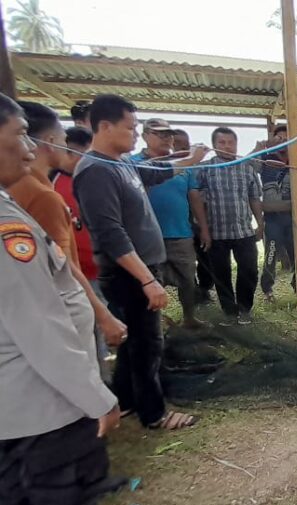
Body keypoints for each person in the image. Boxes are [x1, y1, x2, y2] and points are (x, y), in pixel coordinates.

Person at [0, 93, 120, 505]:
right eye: (20, 135)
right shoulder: (7, 225)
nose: (31, 148)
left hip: (16, 410)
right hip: (44, 409)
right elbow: (40, 328)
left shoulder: (11, 203)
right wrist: (96, 397)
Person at [74, 94, 208, 430]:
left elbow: (157, 173)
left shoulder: (123, 163)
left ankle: (127, 401)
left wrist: (191, 159)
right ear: (104, 126)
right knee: (149, 344)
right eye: (131, 128)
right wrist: (147, 280)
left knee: (135, 341)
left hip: (142, 268)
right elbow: (110, 233)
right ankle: (155, 413)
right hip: (128, 274)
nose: (136, 135)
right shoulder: (95, 171)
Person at [6, 102, 127, 353]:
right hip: (61, 307)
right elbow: (63, 266)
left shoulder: (21, 188)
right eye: (63, 138)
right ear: (51, 141)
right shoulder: (42, 196)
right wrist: (103, 315)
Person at [129, 119, 210, 329]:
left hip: (180, 232)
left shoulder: (184, 164)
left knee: (187, 279)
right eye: (160, 134)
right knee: (151, 280)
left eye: (169, 135)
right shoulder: (133, 163)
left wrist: (203, 228)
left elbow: (194, 197)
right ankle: (154, 322)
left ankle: (189, 318)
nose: (167, 139)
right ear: (146, 135)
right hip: (146, 235)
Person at [52, 126, 113, 370]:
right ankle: (98, 375)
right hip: (75, 272)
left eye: (84, 154)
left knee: (103, 319)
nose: (78, 160)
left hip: (102, 265)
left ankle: (104, 368)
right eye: (72, 153)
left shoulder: (94, 179)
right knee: (87, 324)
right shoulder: (53, 185)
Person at [197, 127, 264, 324]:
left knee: (249, 270)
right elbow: (197, 201)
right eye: (222, 143)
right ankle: (229, 311)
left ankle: (244, 309)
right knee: (221, 274)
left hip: (244, 231)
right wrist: (204, 230)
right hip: (216, 233)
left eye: (231, 142)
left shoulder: (247, 167)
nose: (227, 146)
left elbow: (254, 198)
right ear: (214, 145)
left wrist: (260, 222)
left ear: (236, 144)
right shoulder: (204, 169)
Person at [256, 125, 297, 301]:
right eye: (279, 139)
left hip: (293, 218)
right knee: (270, 255)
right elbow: (248, 165)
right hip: (272, 219)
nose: (283, 143)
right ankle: (267, 290)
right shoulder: (264, 160)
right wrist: (264, 145)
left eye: (288, 139)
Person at [174, 129, 214, 303]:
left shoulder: (196, 167)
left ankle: (204, 289)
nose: (182, 147)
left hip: (196, 222)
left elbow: (197, 196)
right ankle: (193, 294)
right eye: (178, 144)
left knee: (205, 255)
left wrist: (203, 226)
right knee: (184, 265)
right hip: (175, 226)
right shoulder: (164, 167)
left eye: (185, 144)